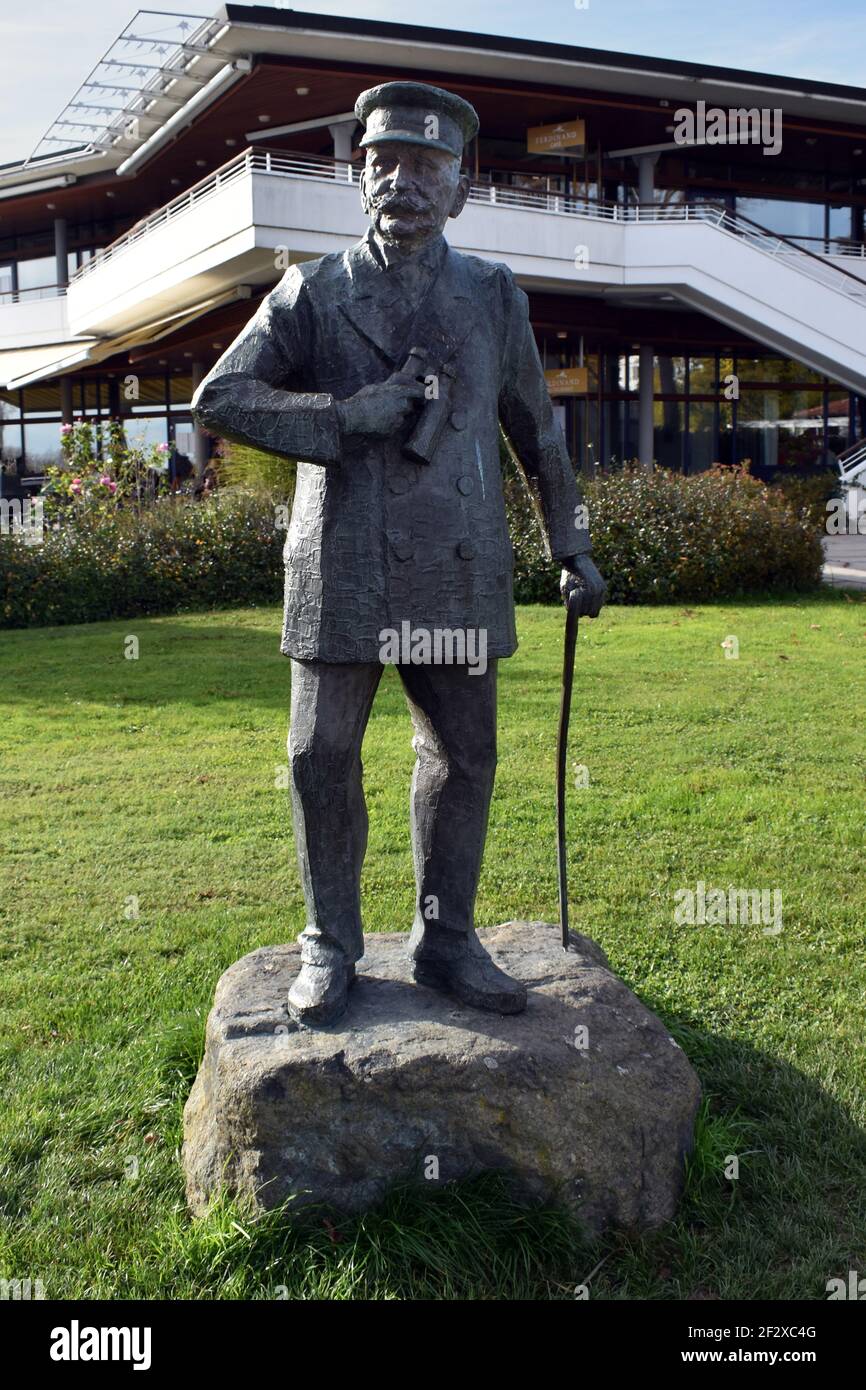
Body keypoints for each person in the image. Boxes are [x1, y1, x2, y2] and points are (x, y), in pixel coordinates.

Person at [193, 81, 606, 1026]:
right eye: (385, 163)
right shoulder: (312, 290)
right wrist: (344, 416)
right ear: (359, 176)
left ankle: (445, 940)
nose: (403, 183)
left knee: (463, 756)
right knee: (317, 755)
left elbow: (536, 431)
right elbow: (221, 398)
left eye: (426, 167)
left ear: (459, 189)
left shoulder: (492, 295)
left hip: (456, 566)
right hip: (339, 561)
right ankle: (329, 945)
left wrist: (570, 542)